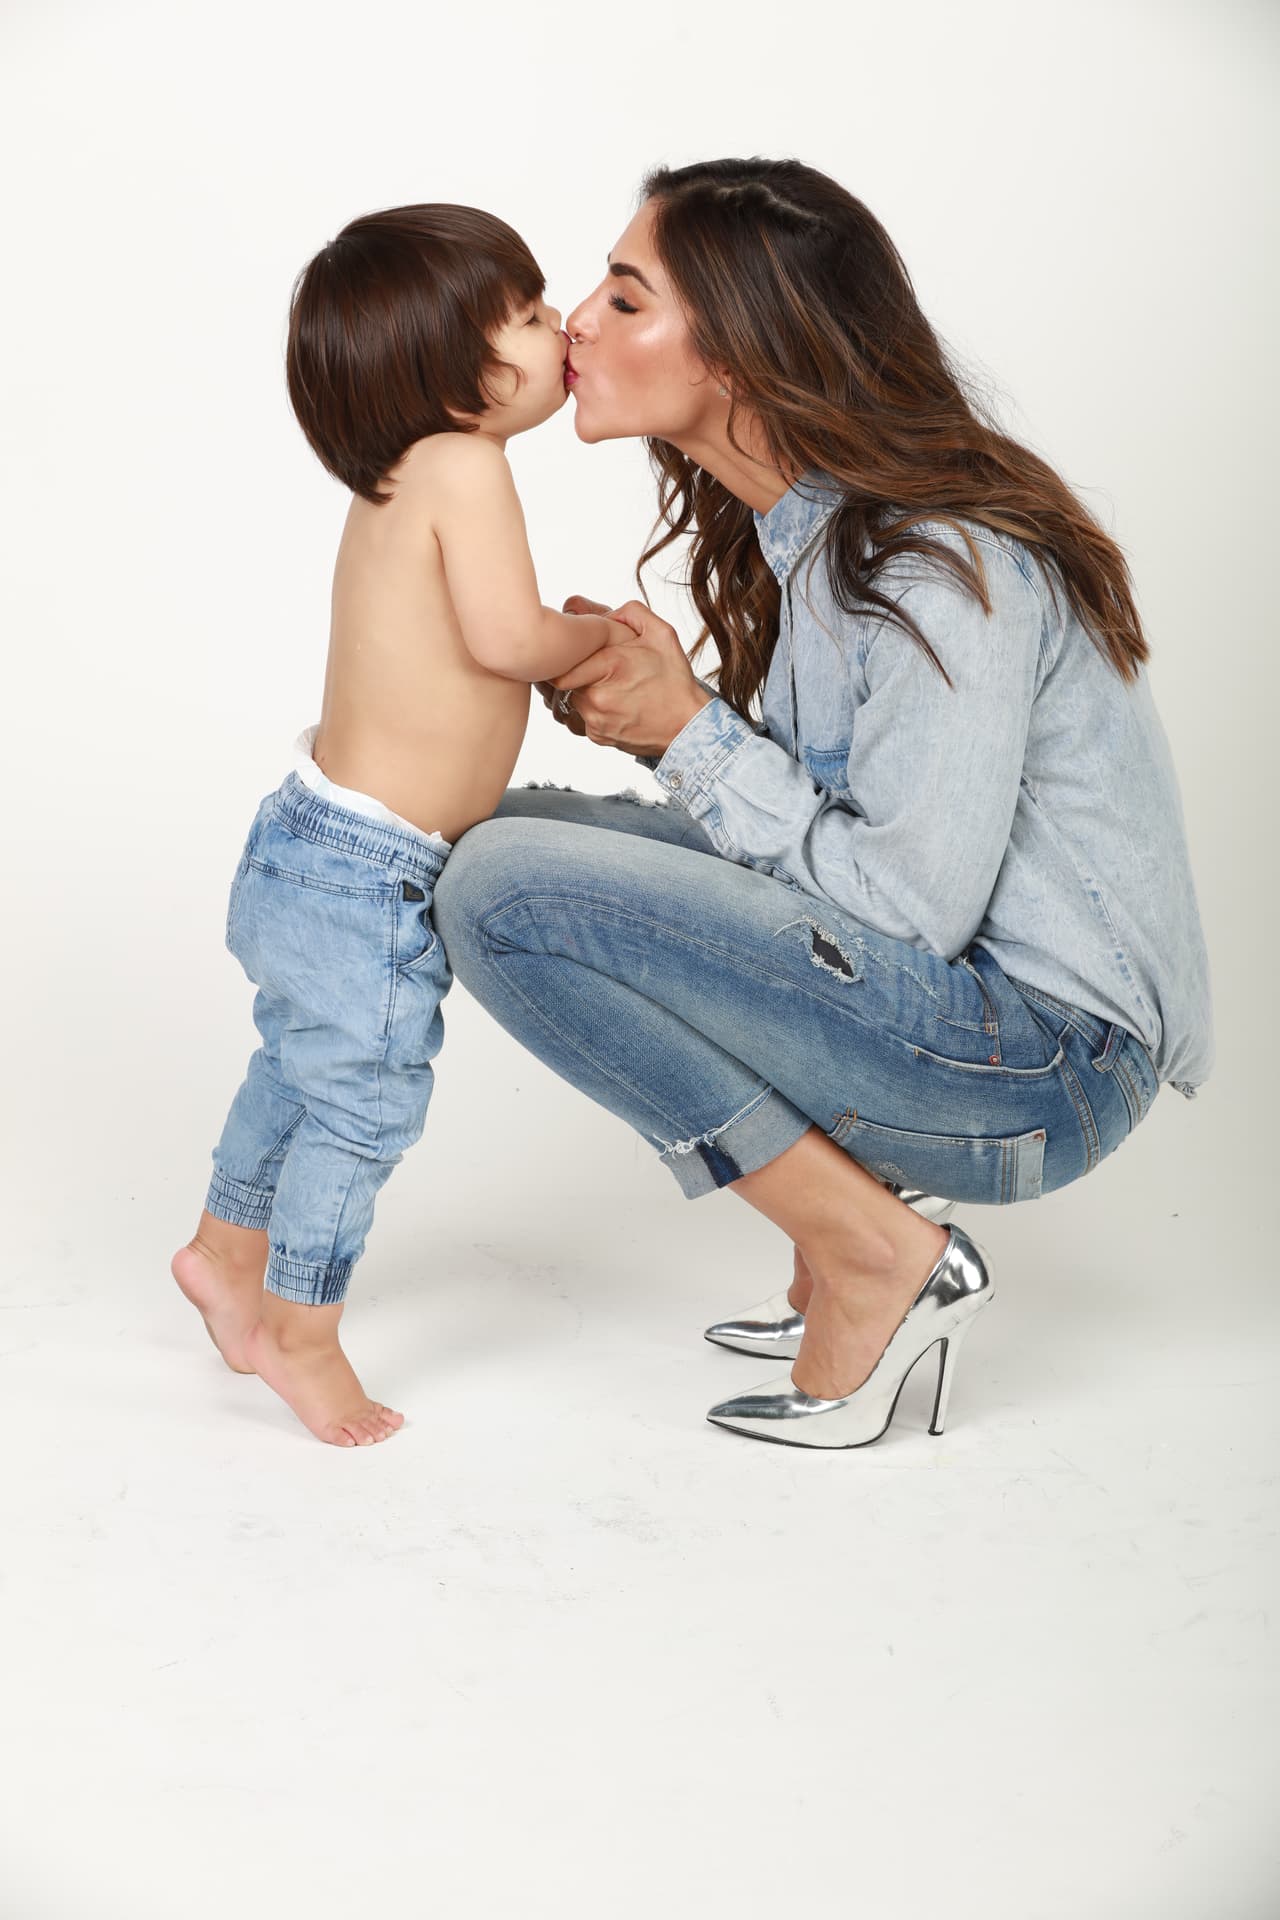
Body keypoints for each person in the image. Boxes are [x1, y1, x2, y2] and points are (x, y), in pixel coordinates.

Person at [429, 156, 1214, 1451]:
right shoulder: (815, 536)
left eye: (626, 297)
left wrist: (688, 735)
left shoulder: (935, 562)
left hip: (1040, 1070)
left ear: (741, 348)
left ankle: (869, 1252)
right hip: (966, 1020)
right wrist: (669, 718)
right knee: (503, 842)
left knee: (507, 897)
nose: (576, 317)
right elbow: (821, 843)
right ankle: (853, 1244)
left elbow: (906, 907)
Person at [171, 203, 614, 1447]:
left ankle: (221, 1249)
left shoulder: (405, 476)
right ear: (453, 370)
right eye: (526, 315)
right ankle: (299, 1333)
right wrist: (604, 636)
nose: (555, 323)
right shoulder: (465, 467)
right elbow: (507, 641)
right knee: (364, 1103)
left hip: (313, 844)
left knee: (296, 1065)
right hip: (367, 870)